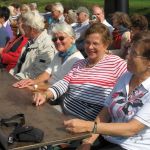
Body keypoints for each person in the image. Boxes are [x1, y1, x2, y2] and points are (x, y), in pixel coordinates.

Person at [64, 31, 150, 150]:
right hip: (108, 139)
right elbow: (106, 112)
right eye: (129, 50)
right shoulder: (126, 77)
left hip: (131, 147)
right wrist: (88, 141)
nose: (127, 56)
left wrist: (90, 126)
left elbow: (131, 128)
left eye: (134, 53)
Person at [33, 23, 127, 121]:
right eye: (87, 42)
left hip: (87, 120)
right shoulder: (79, 64)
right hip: (64, 110)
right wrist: (45, 94)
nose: (90, 47)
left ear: (106, 44)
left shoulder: (116, 64)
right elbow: (63, 83)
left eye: (95, 43)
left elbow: (135, 83)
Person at [12, 23, 84, 90]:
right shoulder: (59, 54)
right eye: (54, 39)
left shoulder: (77, 60)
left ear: (72, 39)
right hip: (48, 91)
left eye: (61, 38)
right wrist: (32, 81)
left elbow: (61, 86)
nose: (57, 41)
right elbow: (47, 73)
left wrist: (35, 87)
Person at [9, 11, 56, 80]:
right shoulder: (31, 40)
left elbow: (37, 73)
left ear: (32, 29)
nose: (22, 27)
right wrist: (9, 75)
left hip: (27, 86)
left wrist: (14, 78)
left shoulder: (47, 45)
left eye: (24, 26)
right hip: (18, 80)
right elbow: (18, 65)